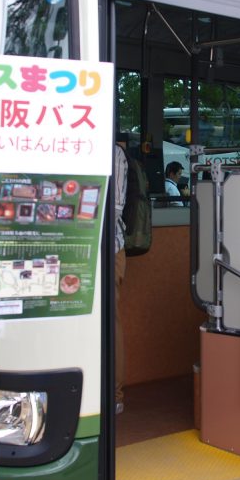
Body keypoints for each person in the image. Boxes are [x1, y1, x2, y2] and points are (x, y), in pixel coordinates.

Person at [113, 135, 128, 415]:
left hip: (107, 248)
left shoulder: (113, 153)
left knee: (109, 321)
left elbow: (114, 209)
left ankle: (114, 394)